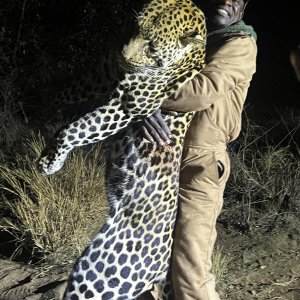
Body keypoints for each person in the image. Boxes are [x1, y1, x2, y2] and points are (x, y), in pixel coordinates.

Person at [139, 0, 257, 299]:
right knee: (149, 254)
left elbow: (199, 92)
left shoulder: (239, 44)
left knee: (190, 265)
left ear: (243, 7)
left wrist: (143, 97)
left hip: (201, 160)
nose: (226, 1)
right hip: (160, 156)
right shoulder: (191, 36)